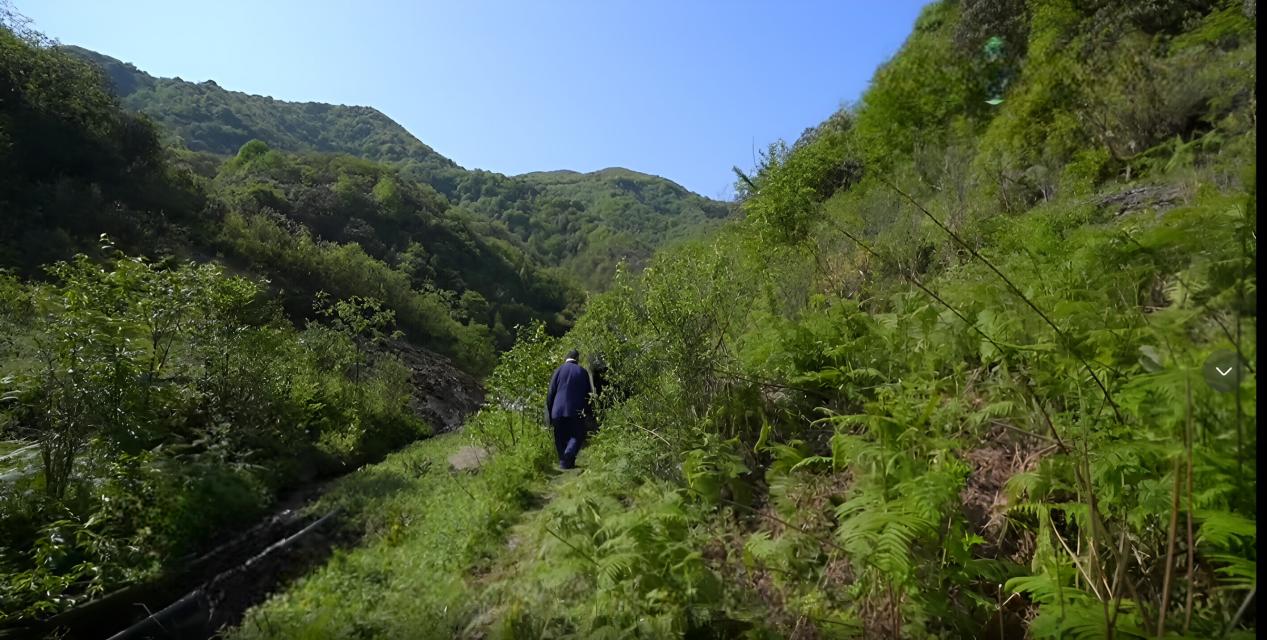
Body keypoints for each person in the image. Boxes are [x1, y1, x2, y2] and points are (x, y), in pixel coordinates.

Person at [545, 349, 593, 470]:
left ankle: (564, 462)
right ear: (577, 359)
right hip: (576, 411)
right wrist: (588, 411)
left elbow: (550, 393)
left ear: (566, 358)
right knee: (576, 436)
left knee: (559, 437)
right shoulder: (582, 372)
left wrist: (549, 413)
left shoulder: (558, 370)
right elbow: (588, 394)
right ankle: (568, 456)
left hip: (557, 411)